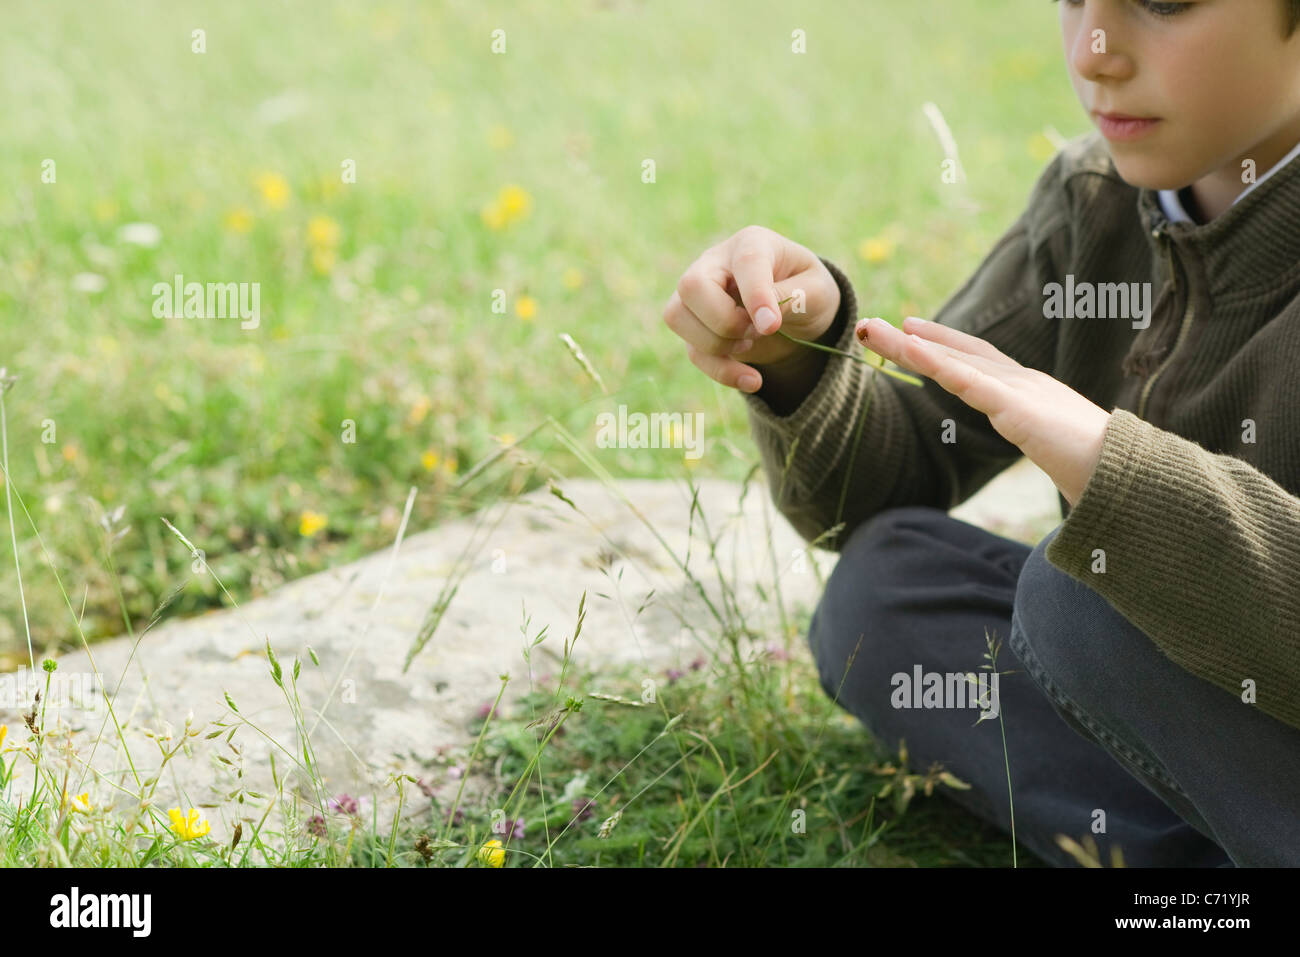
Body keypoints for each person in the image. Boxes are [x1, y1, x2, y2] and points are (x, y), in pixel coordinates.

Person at [662, 0, 1300, 867]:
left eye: (1163, 2)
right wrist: (796, 351)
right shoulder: (1094, 202)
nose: (1096, 52)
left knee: (1071, 599)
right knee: (886, 590)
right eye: (1074, 0)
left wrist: (1121, 478)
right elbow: (886, 486)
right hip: (1190, 728)